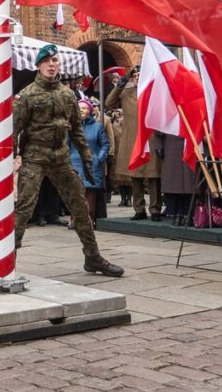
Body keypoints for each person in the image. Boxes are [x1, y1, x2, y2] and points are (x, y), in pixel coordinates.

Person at [14, 45, 123, 277]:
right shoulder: (27, 95)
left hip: (60, 157)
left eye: (55, 60)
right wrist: (13, 159)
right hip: (35, 156)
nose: (52, 65)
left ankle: (92, 257)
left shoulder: (67, 95)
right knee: (24, 206)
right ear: (39, 66)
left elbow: (76, 131)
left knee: (80, 207)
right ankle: (7, 258)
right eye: (47, 62)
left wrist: (86, 160)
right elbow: (15, 130)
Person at [107, 66, 162, 221]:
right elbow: (109, 103)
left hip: (150, 139)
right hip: (132, 140)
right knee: (135, 176)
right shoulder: (125, 93)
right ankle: (139, 209)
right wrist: (119, 86)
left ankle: (155, 209)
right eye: (135, 75)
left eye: (140, 74)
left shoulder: (154, 93)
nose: (138, 77)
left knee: (153, 177)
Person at [69, 99, 109, 224]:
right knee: (75, 193)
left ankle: (89, 220)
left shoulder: (97, 127)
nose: (82, 110)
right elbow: (64, 145)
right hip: (74, 163)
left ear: (90, 111)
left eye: (84, 108)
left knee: (90, 194)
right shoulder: (71, 126)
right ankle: (74, 219)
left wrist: (99, 158)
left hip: (91, 163)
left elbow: (105, 144)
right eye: (79, 108)